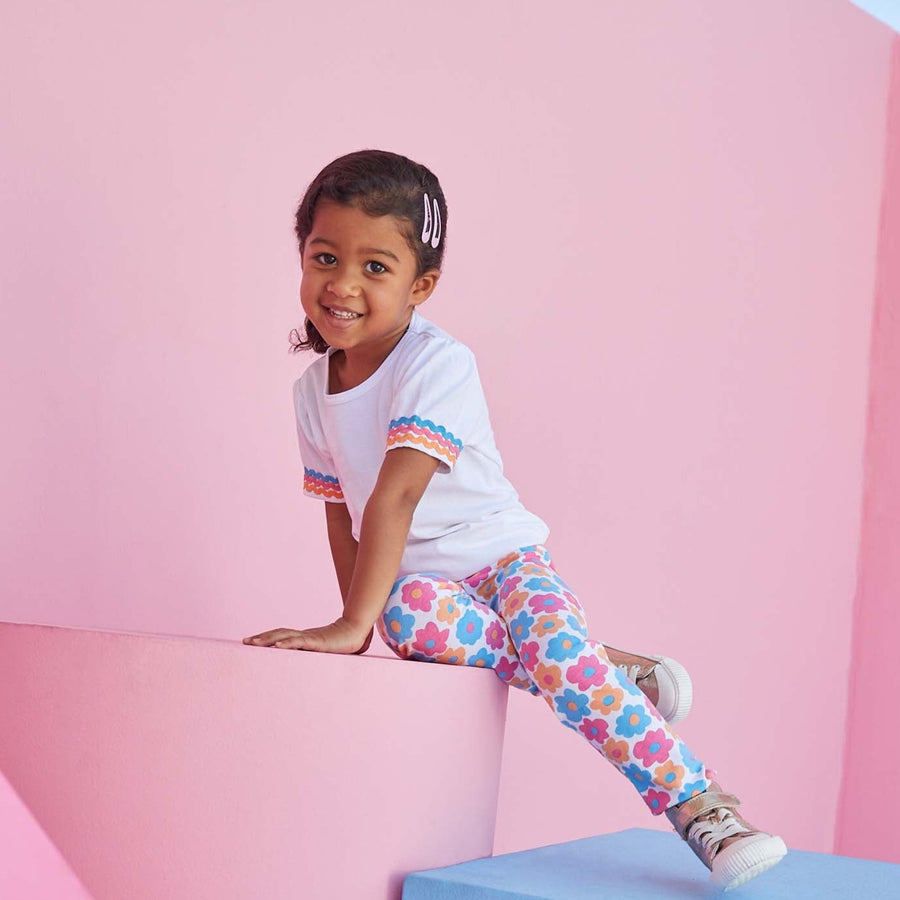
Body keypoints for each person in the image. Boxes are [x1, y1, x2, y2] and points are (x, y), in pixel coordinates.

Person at [243, 150, 787, 891]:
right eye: (325, 257)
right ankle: (597, 665)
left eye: (376, 267)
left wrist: (344, 628)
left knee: (557, 663)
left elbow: (393, 498)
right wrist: (358, 623)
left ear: (421, 285)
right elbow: (344, 514)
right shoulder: (313, 390)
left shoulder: (437, 363)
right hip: (426, 585)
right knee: (407, 621)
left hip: (504, 564)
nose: (341, 285)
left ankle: (702, 807)